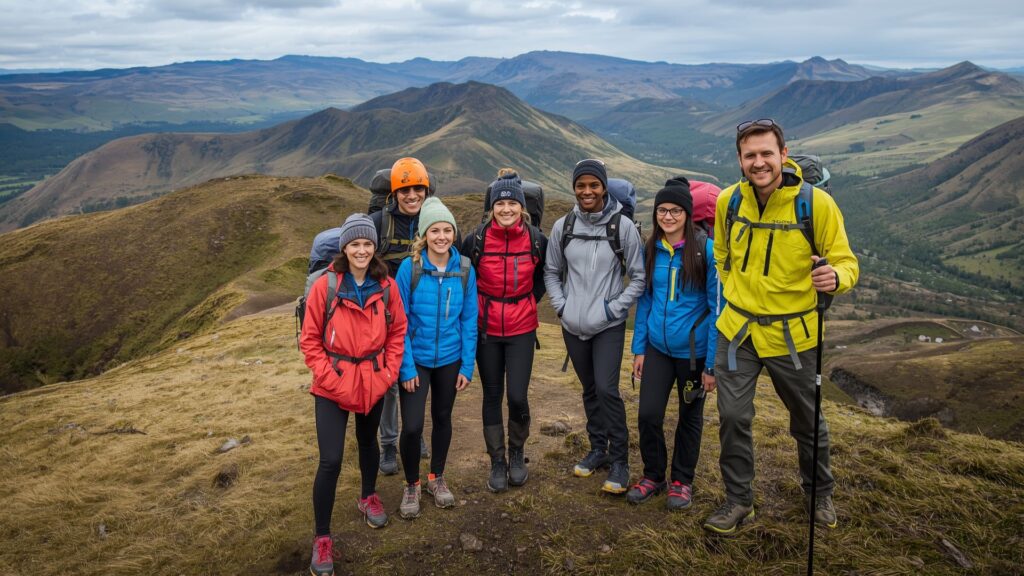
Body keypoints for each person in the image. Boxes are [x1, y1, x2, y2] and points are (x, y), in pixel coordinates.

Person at [703, 119, 859, 535]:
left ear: (783, 155)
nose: (759, 163)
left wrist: (835, 277)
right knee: (732, 417)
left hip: (794, 336)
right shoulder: (729, 202)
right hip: (738, 331)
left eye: (766, 154)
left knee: (807, 420)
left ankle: (819, 493)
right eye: (750, 155)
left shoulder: (815, 205)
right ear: (740, 160)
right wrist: (735, 290)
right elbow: (722, 255)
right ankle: (739, 501)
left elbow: (847, 262)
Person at [299, 213, 408, 576]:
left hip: (373, 380)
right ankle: (322, 537)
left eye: (367, 244)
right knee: (330, 460)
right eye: (355, 244)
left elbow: (398, 331)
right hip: (332, 383)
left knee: (367, 442)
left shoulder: (387, 286)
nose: (362, 250)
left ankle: (368, 496)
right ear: (344, 248)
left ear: (375, 247)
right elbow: (310, 340)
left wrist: (388, 372)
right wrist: (329, 377)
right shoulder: (325, 286)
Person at [543, 159, 645, 494]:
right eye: (581, 185)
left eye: (594, 185)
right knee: (589, 389)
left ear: (603, 188)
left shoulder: (622, 227)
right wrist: (562, 307)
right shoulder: (564, 226)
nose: (587, 191)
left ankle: (620, 461)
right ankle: (598, 449)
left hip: (608, 326)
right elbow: (551, 271)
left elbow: (638, 277)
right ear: (574, 188)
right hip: (572, 325)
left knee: (606, 389)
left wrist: (612, 309)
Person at [627, 177, 720, 509]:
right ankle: (654, 475)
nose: (668, 216)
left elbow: (717, 308)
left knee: (689, 417)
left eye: (676, 210)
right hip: (657, 349)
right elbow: (646, 300)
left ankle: (682, 480)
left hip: (693, 355)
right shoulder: (651, 248)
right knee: (648, 414)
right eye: (662, 210)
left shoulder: (706, 250)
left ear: (688, 213)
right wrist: (639, 348)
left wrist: (712, 365)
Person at [462, 171, 547, 492]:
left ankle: (517, 453)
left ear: (522, 207)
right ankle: (497, 460)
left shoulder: (537, 240)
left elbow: (545, 274)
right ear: (492, 207)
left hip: (522, 328)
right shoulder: (476, 240)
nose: (506, 209)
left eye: (512, 203)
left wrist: (530, 299)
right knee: (492, 395)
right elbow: (464, 276)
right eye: (500, 203)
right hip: (486, 330)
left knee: (517, 396)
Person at [394, 197, 478, 518]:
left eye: (447, 230)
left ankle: (436, 477)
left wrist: (467, 365)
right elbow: (399, 321)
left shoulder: (465, 269)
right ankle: (411, 484)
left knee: (443, 418)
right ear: (424, 234)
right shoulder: (410, 268)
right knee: (412, 427)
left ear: (454, 233)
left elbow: (469, 320)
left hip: (450, 360)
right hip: (416, 361)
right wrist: (406, 367)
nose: (441, 237)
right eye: (435, 230)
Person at [371, 157, 434, 475]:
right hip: (385, 318)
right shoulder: (379, 224)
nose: (412, 195)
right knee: (389, 385)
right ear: (393, 193)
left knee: (415, 380)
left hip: (420, 319)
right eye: (404, 190)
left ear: (426, 191)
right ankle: (387, 445)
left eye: (418, 189)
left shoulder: (432, 221)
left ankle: (415, 432)